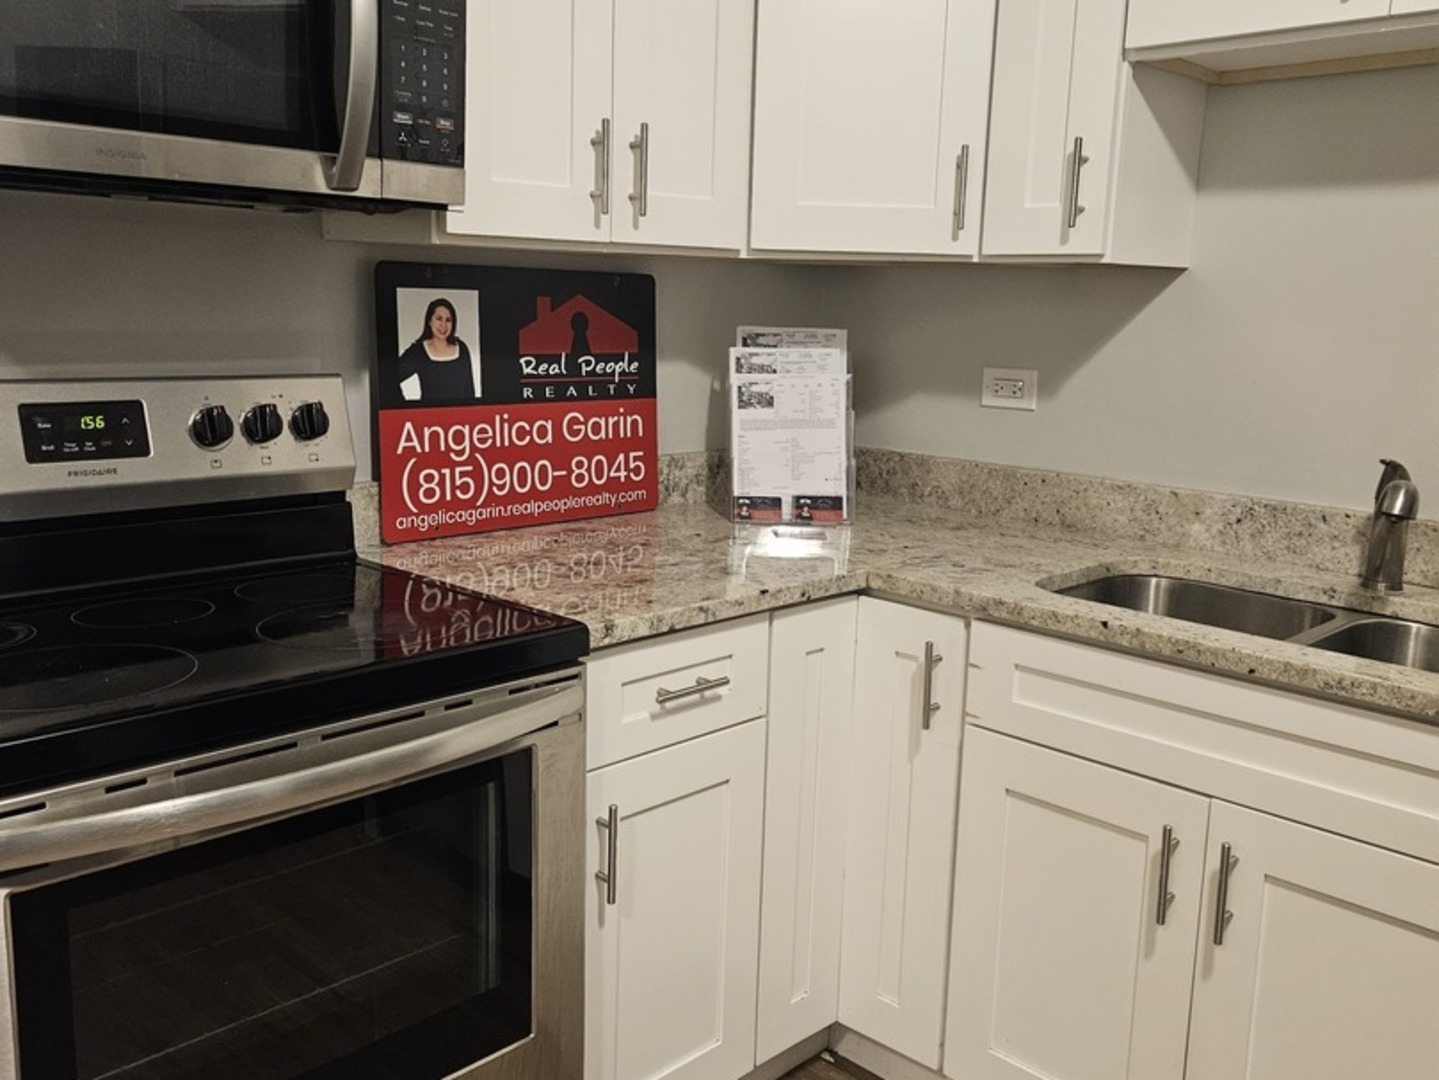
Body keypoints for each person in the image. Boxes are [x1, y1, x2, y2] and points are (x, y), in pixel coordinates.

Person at [393, 298, 476, 403]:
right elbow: (390, 379)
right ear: (429, 321)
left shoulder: (462, 349)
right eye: (439, 318)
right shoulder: (419, 351)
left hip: (460, 418)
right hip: (430, 419)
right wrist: (405, 410)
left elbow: (469, 392)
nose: (443, 325)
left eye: (448, 320)